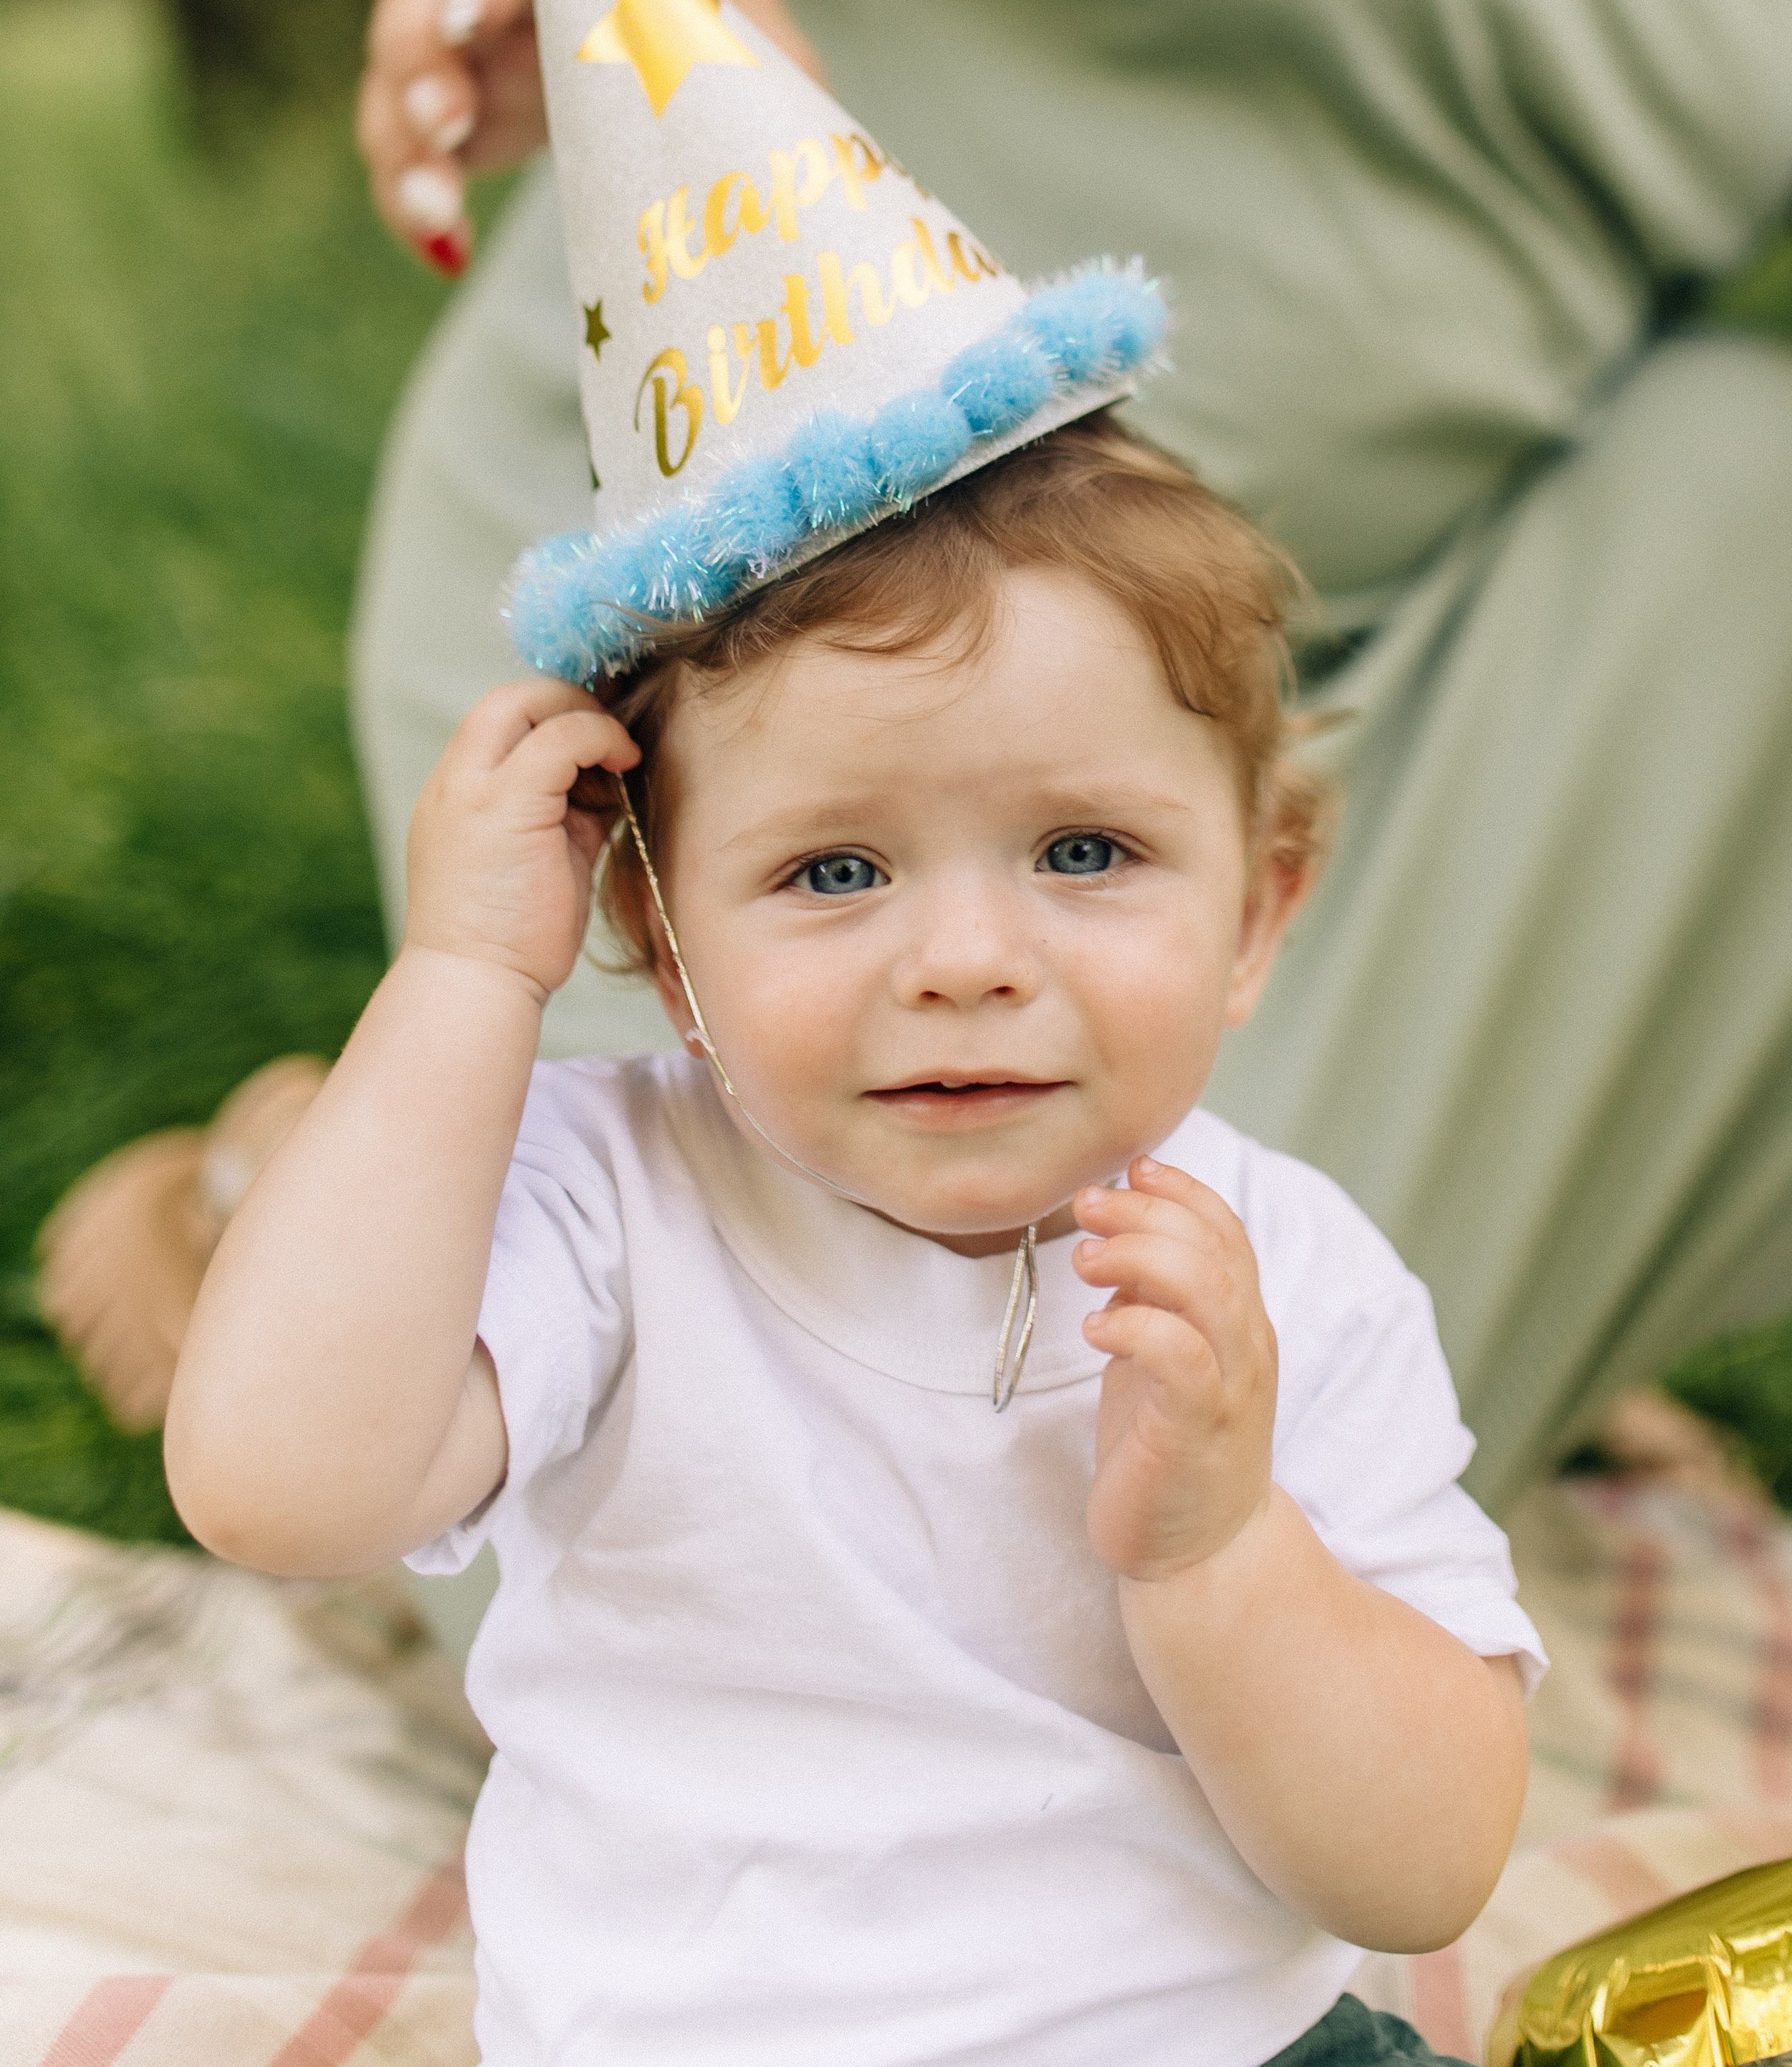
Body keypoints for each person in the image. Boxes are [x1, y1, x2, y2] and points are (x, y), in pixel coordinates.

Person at [42, 0, 1792, 1511]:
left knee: (1786, 487)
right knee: (857, 1522)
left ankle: (1461, 1291)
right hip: (748, 659)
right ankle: (380, 1216)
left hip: (1308, 742)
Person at [164, 410, 1544, 2067]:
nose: (963, 956)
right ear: (661, 943)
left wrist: (1220, 1549)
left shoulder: (1281, 1272)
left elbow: (1424, 1869)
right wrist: (463, 975)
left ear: (1254, 910)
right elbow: (273, 1485)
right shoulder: (606, 1199)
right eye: (833, 869)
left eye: (1083, 851)